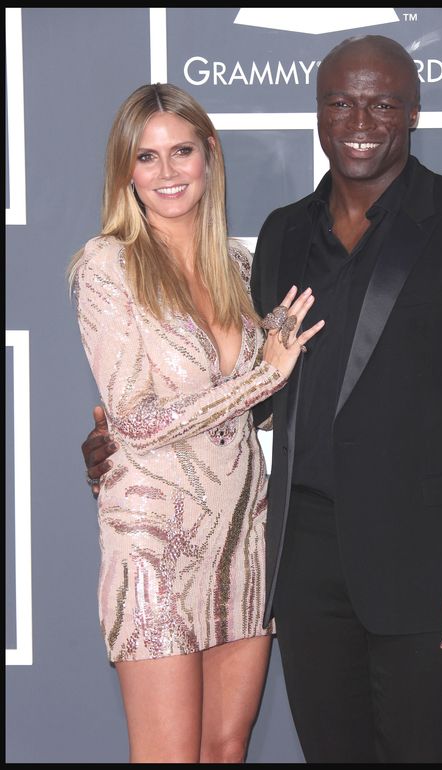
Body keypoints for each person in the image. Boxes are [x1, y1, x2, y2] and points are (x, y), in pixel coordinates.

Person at [82, 35, 442, 764]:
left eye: (381, 103)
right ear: (319, 114)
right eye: (340, 103)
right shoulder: (283, 235)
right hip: (300, 569)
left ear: (413, 112)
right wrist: (119, 437)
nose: (360, 119)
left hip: (429, 571)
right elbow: (261, 391)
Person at [68, 82, 323, 764]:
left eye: (182, 151)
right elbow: (137, 420)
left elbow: (256, 405)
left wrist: (281, 365)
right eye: (146, 158)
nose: (168, 171)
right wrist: (264, 374)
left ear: (209, 157)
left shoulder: (240, 267)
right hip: (154, 544)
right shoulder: (107, 266)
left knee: (225, 748)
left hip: (244, 538)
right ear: (126, 172)